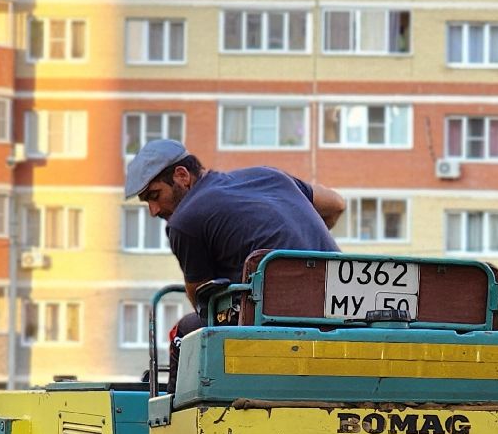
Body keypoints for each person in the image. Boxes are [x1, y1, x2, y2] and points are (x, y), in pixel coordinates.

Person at [123, 138, 345, 337]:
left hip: (274, 321)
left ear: (182, 176)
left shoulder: (185, 221)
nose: (153, 210)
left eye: (155, 195)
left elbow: (205, 307)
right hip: (342, 311)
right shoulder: (268, 175)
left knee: (185, 332)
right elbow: (336, 204)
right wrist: (304, 249)